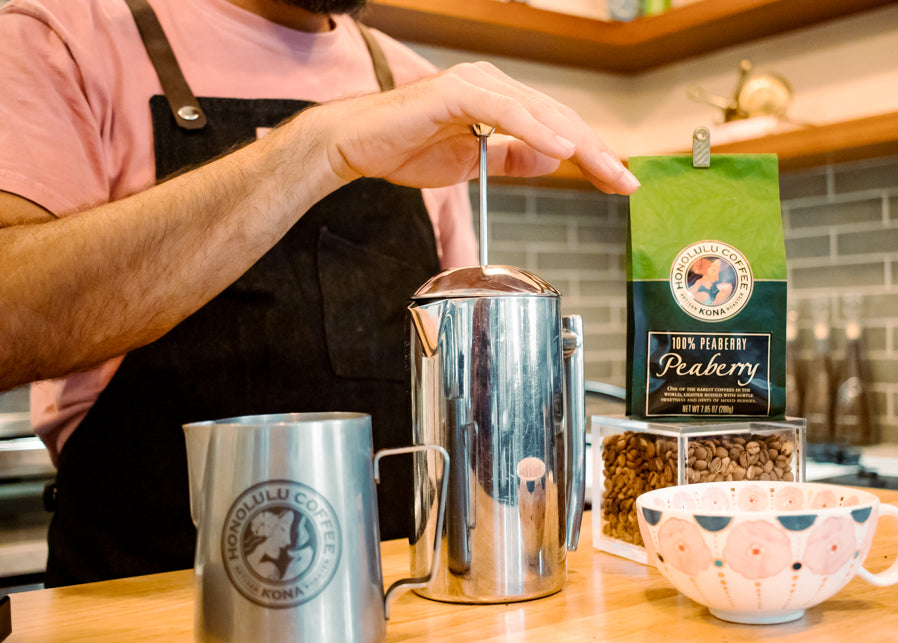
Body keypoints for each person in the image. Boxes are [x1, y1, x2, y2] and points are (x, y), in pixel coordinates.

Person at [0, 0, 639, 587]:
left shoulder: (417, 83)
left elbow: (457, 386)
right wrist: (317, 147)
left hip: (405, 600)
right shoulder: (64, 34)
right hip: (139, 600)